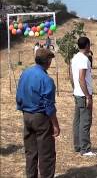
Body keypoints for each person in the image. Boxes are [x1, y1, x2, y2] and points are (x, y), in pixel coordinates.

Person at [16, 48, 60, 178]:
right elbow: (49, 106)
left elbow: (19, 94)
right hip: (40, 118)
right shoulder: (47, 80)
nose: (51, 62)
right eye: (50, 59)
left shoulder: (25, 73)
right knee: (46, 153)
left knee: (30, 152)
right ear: (47, 61)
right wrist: (55, 125)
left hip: (26, 116)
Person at [71, 37, 97, 156]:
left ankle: (78, 146)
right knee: (85, 121)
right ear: (87, 45)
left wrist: (75, 88)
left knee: (77, 121)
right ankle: (86, 149)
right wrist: (88, 96)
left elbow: (71, 76)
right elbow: (81, 78)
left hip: (77, 92)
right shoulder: (83, 59)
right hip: (83, 94)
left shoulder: (74, 57)